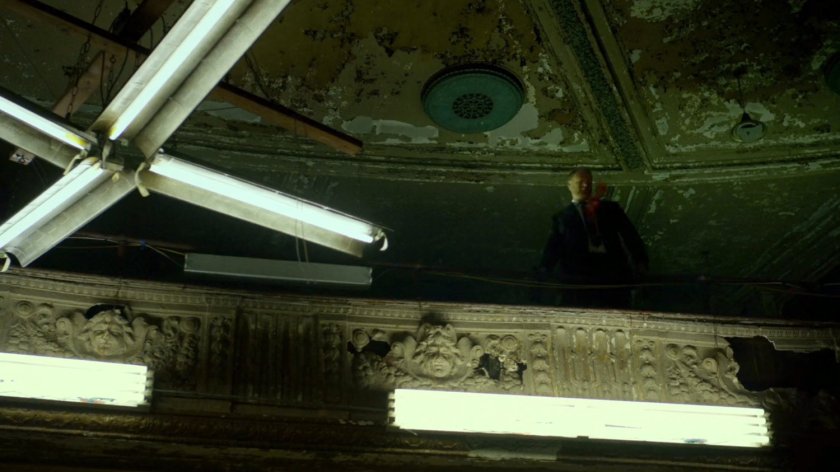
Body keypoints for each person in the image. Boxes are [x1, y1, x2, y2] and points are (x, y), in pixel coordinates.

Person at [537, 167, 648, 308]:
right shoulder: (562, 218)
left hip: (612, 272)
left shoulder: (611, 209)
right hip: (579, 276)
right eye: (580, 181)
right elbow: (553, 248)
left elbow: (630, 235)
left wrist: (641, 261)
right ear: (569, 185)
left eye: (589, 182)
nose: (585, 185)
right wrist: (544, 271)